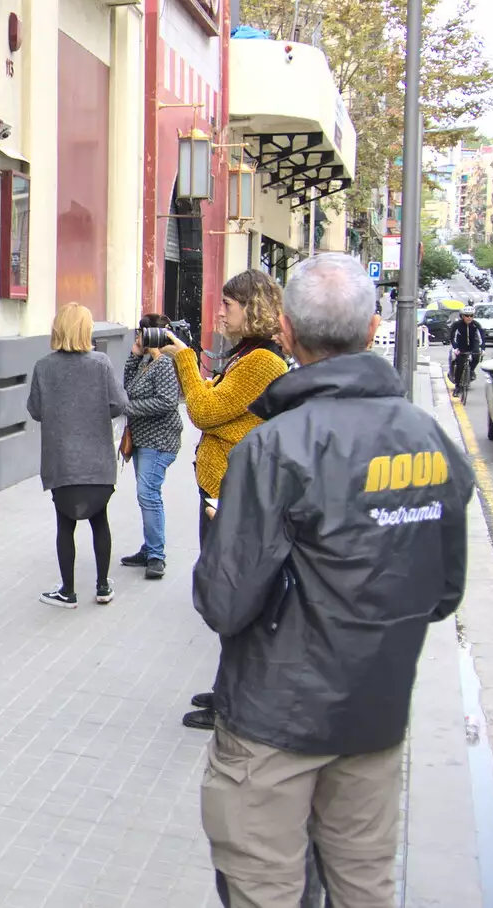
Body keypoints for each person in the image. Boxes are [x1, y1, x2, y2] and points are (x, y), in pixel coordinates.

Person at [194, 253, 472, 908]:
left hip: (272, 721)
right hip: (374, 716)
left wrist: (226, 524)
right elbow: (444, 591)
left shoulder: (273, 446)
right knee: (364, 887)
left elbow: (224, 600)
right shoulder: (430, 440)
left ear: (285, 332)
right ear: (374, 329)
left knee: (264, 890)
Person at [165, 269, 289, 730]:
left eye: (228, 305)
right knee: (227, 595)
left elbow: (204, 410)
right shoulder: (247, 356)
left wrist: (184, 360)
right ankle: (227, 689)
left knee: (232, 598)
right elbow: (219, 411)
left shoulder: (261, 362)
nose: (220, 312)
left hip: (232, 494)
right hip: (223, 487)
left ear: (250, 309)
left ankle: (234, 703)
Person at [26, 303, 129, 608]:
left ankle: (68, 591)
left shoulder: (44, 367)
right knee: (100, 521)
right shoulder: (101, 363)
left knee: (64, 525)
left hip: (62, 463)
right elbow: (120, 403)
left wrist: (62, 414)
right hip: (98, 462)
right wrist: (95, 413)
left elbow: (35, 410)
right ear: (86, 330)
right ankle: (102, 587)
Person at [119, 314, 184, 580]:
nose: (138, 336)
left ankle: (156, 556)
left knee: (148, 493)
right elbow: (128, 386)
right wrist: (135, 354)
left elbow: (168, 401)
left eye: (142, 333)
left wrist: (130, 408)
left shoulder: (165, 362)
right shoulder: (147, 360)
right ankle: (149, 549)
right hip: (143, 439)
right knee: (146, 493)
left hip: (160, 440)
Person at [449, 304, 484, 390]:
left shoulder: (476, 325)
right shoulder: (457, 324)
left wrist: (483, 348)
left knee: (477, 356)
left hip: (473, 344)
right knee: (460, 365)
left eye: (471, 316)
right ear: (462, 316)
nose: (469, 318)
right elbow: (452, 336)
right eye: (467, 316)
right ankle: (457, 386)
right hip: (461, 345)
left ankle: (471, 370)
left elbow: (482, 337)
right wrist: (455, 347)